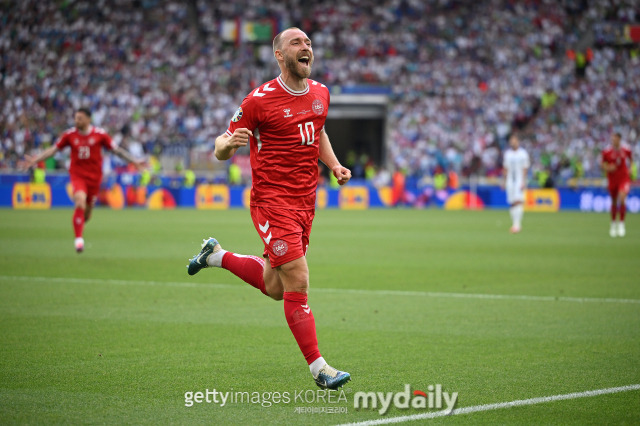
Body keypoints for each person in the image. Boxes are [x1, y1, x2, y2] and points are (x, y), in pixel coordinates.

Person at [187, 27, 352, 390]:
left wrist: (334, 164)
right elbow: (219, 145)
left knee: (277, 287)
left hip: (305, 203)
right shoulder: (259, 100)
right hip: (271, 202)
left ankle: (215, 256)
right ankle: (319, 369)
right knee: (298, 277)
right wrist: (229, 144)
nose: (306, 47)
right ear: (280, 55)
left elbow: (318, 130)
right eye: (297, 43)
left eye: (308, 42)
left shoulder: (321, 94)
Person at [21, 108, 144, 252]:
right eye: (75, 118)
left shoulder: (100, 135)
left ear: (88, 119)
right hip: (77, 174)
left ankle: (81, 221)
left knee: (87, 212)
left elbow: (116, 150)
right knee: (80, 200)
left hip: (95, 177)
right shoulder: (69, 135)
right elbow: (54, 150)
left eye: (79, 118)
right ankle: (79, 240)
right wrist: (36, 159)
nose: (76, 121)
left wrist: (134, 161)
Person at [601, 132, 632, 237]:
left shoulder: (626, 149)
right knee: (614, 201)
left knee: (622, 198)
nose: (613, 141)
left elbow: (631, 160)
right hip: (612, 179)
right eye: (612, 139)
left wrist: (631, 169)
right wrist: (608, 168)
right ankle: (613, 224)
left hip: (623, 178)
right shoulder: (607, 151)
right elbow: (602, 164)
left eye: (614, 139)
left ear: (619, 139)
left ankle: (622, 224)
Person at [502, 134, 530, 233]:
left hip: (519, 180)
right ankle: (514, 223)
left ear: (517, 141)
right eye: (511, 140)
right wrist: (504, 181)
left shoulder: (523, 153)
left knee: (518, 200)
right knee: (512, 202)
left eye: (513, 140)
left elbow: (525, 168)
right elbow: (505, 168)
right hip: (510, 180)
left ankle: (517, 225)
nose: (512, 142)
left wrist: (524, 181)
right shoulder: (507, 154)